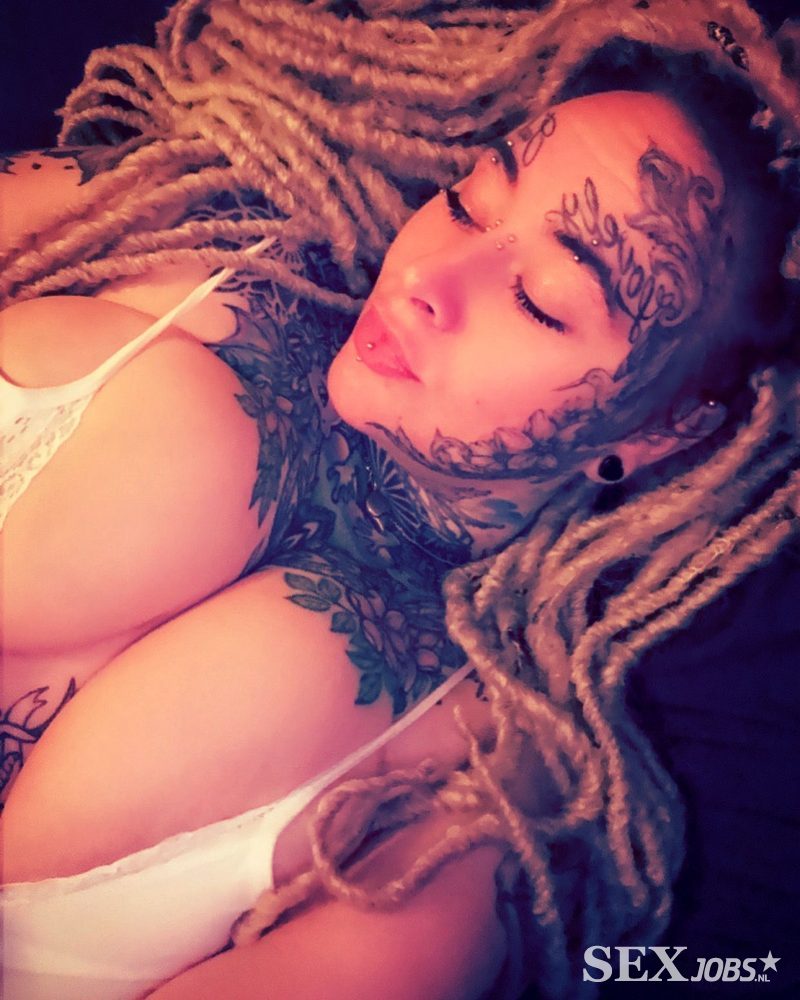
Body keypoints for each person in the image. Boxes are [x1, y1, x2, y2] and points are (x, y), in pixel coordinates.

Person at [1, 0, 798, 997]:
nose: (426, 274)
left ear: (661, 429)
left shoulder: (471, 790)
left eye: (540, 298)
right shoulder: (187, 225)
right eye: (469, 202)